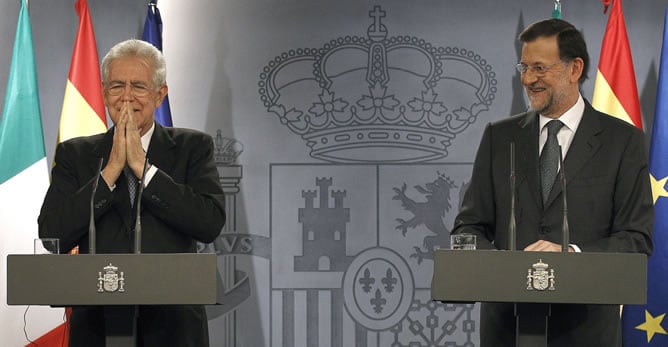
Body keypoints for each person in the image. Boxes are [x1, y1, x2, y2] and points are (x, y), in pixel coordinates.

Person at [452, 18, 653, 346]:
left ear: (575, 69)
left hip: (586, 333)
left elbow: (636, 239)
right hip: (508, 330)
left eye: (540, 68)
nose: (528, 79)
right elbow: (468, 228)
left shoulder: (622, 141)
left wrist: (572, 254)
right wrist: (503, 268)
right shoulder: (499, 138)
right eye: (524, 67)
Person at [38, 39, 226, 346]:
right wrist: (111, 170)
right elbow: (52, 234)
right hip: (97, 327)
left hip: (174, 327)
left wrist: (144, 170)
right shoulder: (76, 154)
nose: (126, 97)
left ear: (159, 94)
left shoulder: (193, 148)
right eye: (116, 86)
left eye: (138, 86)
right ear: (103, 91)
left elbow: (208, 223)